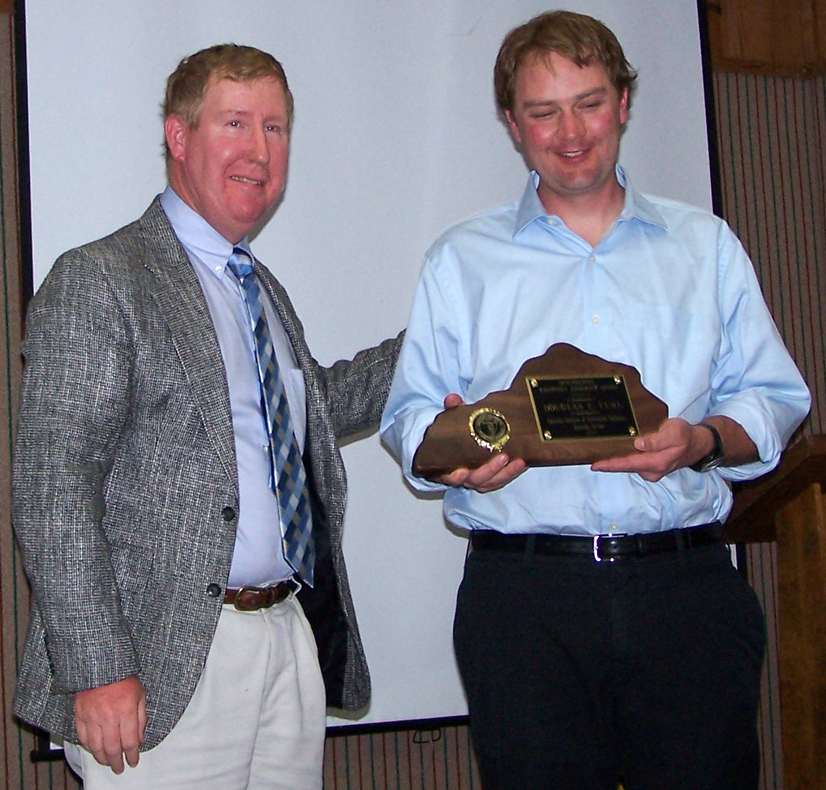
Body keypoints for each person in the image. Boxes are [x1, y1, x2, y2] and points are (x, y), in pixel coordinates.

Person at [380, 10, 810, 790]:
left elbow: (775, 397)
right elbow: (409, 417)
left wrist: (704, 440)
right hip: (525, 604)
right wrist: (451, 458)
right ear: (513, 123)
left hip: (686, 592)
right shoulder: (462, 259)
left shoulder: (704, 246)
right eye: (544, 111)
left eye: (588, 103)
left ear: (623, 103)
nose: (570, 132)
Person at [12, 44, 400, 790]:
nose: (260, 150)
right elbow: (54, 484)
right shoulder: (102, 277)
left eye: (275, 128)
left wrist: (442, 342)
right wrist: (98, 667)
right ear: (179, 137)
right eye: (236, 124)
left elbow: (313, 412)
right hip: (162, 667)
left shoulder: (258, 287)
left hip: (285, 640)